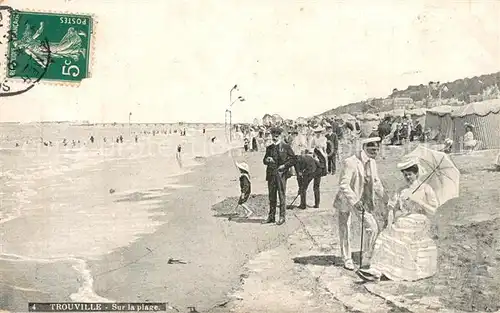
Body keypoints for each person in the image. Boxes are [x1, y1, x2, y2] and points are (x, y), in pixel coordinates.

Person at [357, 157, 439, 282]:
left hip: (420, 220)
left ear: (416, 174)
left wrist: (419, 201)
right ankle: (377, 270)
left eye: (410, 175)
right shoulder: (402, 190)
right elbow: (391, 207)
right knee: (387, 235)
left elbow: (433, 210)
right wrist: (389, 223)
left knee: (399, 235)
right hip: (403, 220)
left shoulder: (425, 188)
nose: (407, 178)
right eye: (405, 175)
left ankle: (391, 271)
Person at [333, 136, 386, 270]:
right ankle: (347, 258)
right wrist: (355, 201)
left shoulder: (372, 163)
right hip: (347, 200)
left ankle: (367, 257)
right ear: (364, 147)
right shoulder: (350, 162)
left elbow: (376, 182)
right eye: (372, 148)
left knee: (372, 227)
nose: (375, 151)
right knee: (345, 228)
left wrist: (386, 198)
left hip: (362, 201)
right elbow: (344, 184)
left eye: (377, 148)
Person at [262, 127, 296, 225]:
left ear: (280, 136)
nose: (275, 138)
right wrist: (267, 160)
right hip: (271, 175)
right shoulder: (269, 148)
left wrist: (284, 165)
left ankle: (282, 217)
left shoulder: (285, 147)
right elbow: (264, 161)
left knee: (281, 196)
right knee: (271, 197)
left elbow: (293, 159)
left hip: (281, 175)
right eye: (273, 136)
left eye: (276, 136)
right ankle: (271, 217)